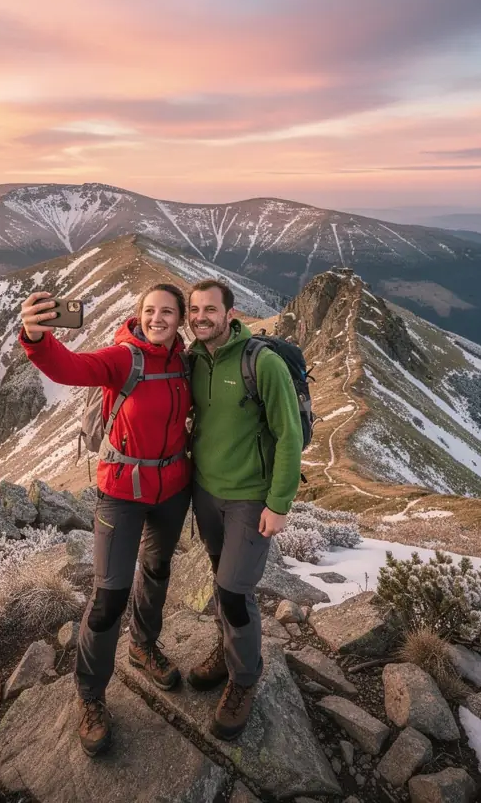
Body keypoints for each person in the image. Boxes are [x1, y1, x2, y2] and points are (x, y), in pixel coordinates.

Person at [18, 284, 192, 757]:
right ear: (138, 315)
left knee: (156, 573)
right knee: (109, 595)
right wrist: (35, 337)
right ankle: (91, 695)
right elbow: (70, 368)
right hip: (121, 494)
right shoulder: (122, 357)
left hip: (173, 491)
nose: (158, 318)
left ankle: (143, 646)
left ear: (181, 320)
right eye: (150, 310)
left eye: (168, 312)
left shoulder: (186, 362)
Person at [184, 278, 303, 739]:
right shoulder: (193, 358)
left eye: (210, 310)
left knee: (235, 591)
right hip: (206, 493)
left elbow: (289, 435)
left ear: (230, 314)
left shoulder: (262, 363)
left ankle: (245, 680)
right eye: (194, 310)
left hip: (251, 498)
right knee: (220, 579)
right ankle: (227, 651)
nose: (200, 317)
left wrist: (279, 503)